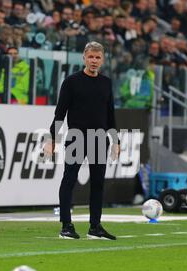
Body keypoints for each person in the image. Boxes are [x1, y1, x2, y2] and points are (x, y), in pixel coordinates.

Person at [43, 41, 120, 240]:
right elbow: (60, 113)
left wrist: (115, 140)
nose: (94, 61)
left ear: (102, 60)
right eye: (91, 57)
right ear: (83, 58)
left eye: (98, 57)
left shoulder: (106, 83)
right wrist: (53, 139)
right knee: (69, 180)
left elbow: (110, 114)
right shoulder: (71, 82)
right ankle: (66, 226)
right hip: (77, 138)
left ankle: (95, 226)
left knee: (98, 183)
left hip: (100, 139)